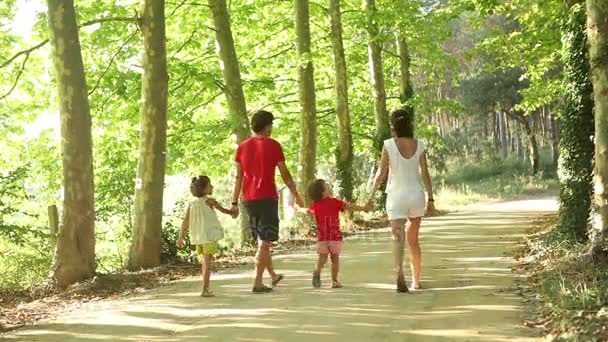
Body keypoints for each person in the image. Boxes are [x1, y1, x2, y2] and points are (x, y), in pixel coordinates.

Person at [231, 110, 304, 293]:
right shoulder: (273, 145)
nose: (272, 128)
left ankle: (272, 275)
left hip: (248, 200)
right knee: (264, 242)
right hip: (267, 198)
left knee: (262, 241)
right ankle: (257, 282)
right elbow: (285, 173)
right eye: (271, 124)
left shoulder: (241, 148)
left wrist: (234, 203)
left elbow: (238, 178)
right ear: (266, 126)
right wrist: (296, 194)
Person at [368, 108, 435, 293]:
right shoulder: (419, 144)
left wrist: (371, 195)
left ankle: (399, 275)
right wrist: (431, 198)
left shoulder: (389, 145)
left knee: (397, 239)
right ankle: (417, 281)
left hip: (396, 197)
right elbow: (425, 174)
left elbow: (381, 174)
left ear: (393, 126)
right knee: (413, 240)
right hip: (416, 196)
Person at [296, 179, 371, 288]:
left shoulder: (317, 205)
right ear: (322, 192)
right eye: (326, 186)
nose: (329, 186)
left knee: (323, 258)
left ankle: (319, 272)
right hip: (334, 237)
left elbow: (306, 210)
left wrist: (299, 208)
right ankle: (334, 281)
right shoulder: (334, 202)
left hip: (323, 237)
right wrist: (364, 208)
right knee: (334, 259)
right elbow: (350, 207)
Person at [177, 176, 235, 297]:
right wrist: (233, 212)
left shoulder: (192, 204)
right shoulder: (209, 201)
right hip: (208, 236)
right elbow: (224, 210)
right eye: (209, 185)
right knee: (207, 263)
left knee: (205, 261)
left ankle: (205, 287)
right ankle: (205, 288)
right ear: (203, 189)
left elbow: (185, 222)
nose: (212, 187)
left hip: (199, 237)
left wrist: (181, 236)